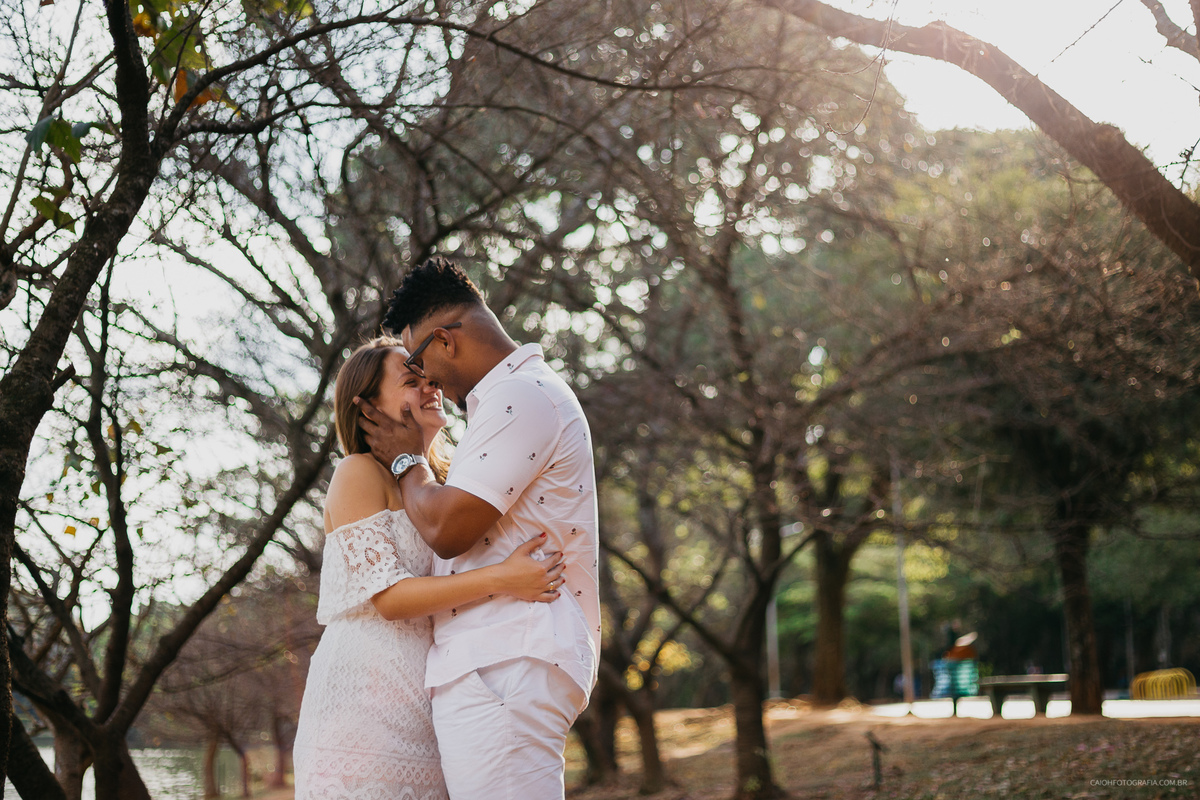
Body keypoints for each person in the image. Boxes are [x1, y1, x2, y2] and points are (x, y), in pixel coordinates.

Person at [356, 257, 600, 799]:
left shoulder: (521, 397)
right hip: (498, 661)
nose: (426, 381)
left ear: (444, 339)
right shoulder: (507, 402)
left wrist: (405, 460)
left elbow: (448, 531)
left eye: (418, 360)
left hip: (503, 661)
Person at [292, 337, 566, 800]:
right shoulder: (357, 473)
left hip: (430, 704)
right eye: (410, 380)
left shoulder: (438, 488)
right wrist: (504, 579)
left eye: (428, 377)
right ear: (367, 409)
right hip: (360, 708)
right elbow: (391, 599)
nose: (430, 386)